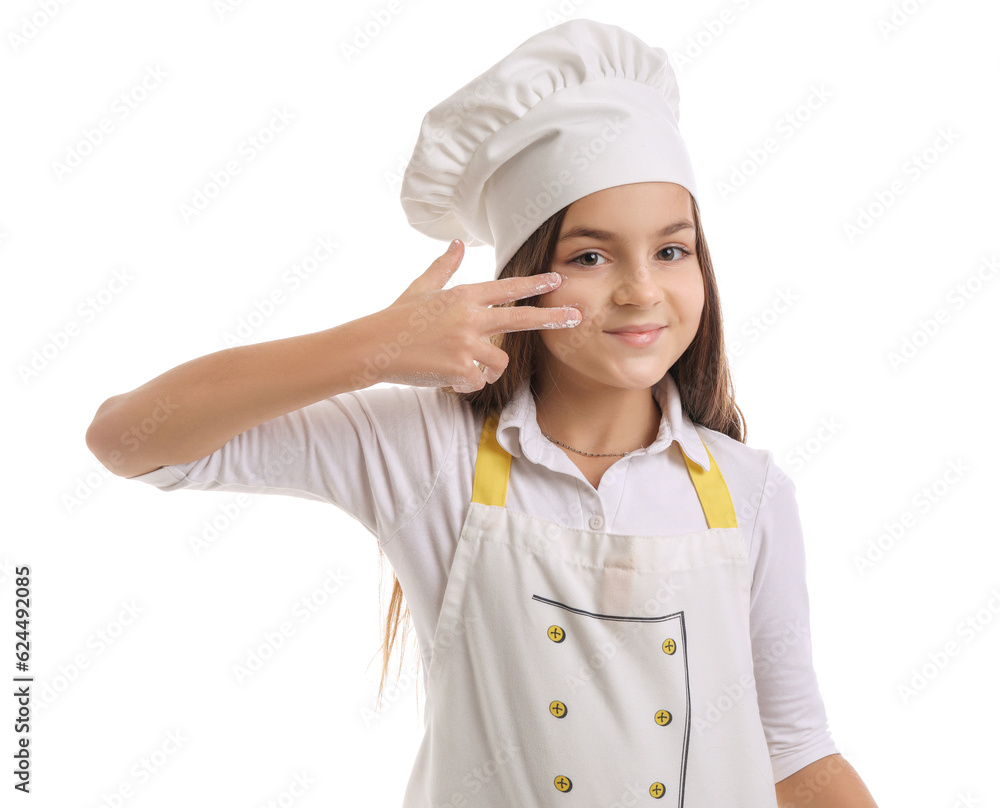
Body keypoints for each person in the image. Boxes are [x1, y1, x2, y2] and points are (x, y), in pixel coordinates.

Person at [86, 18, 878, 807]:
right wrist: (379, 345)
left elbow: (797, 754)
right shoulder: (427, 455)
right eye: (590, 257)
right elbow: (129, 439)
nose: (641, 290)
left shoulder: (749, 492)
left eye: (671, 250)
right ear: (523, 275)